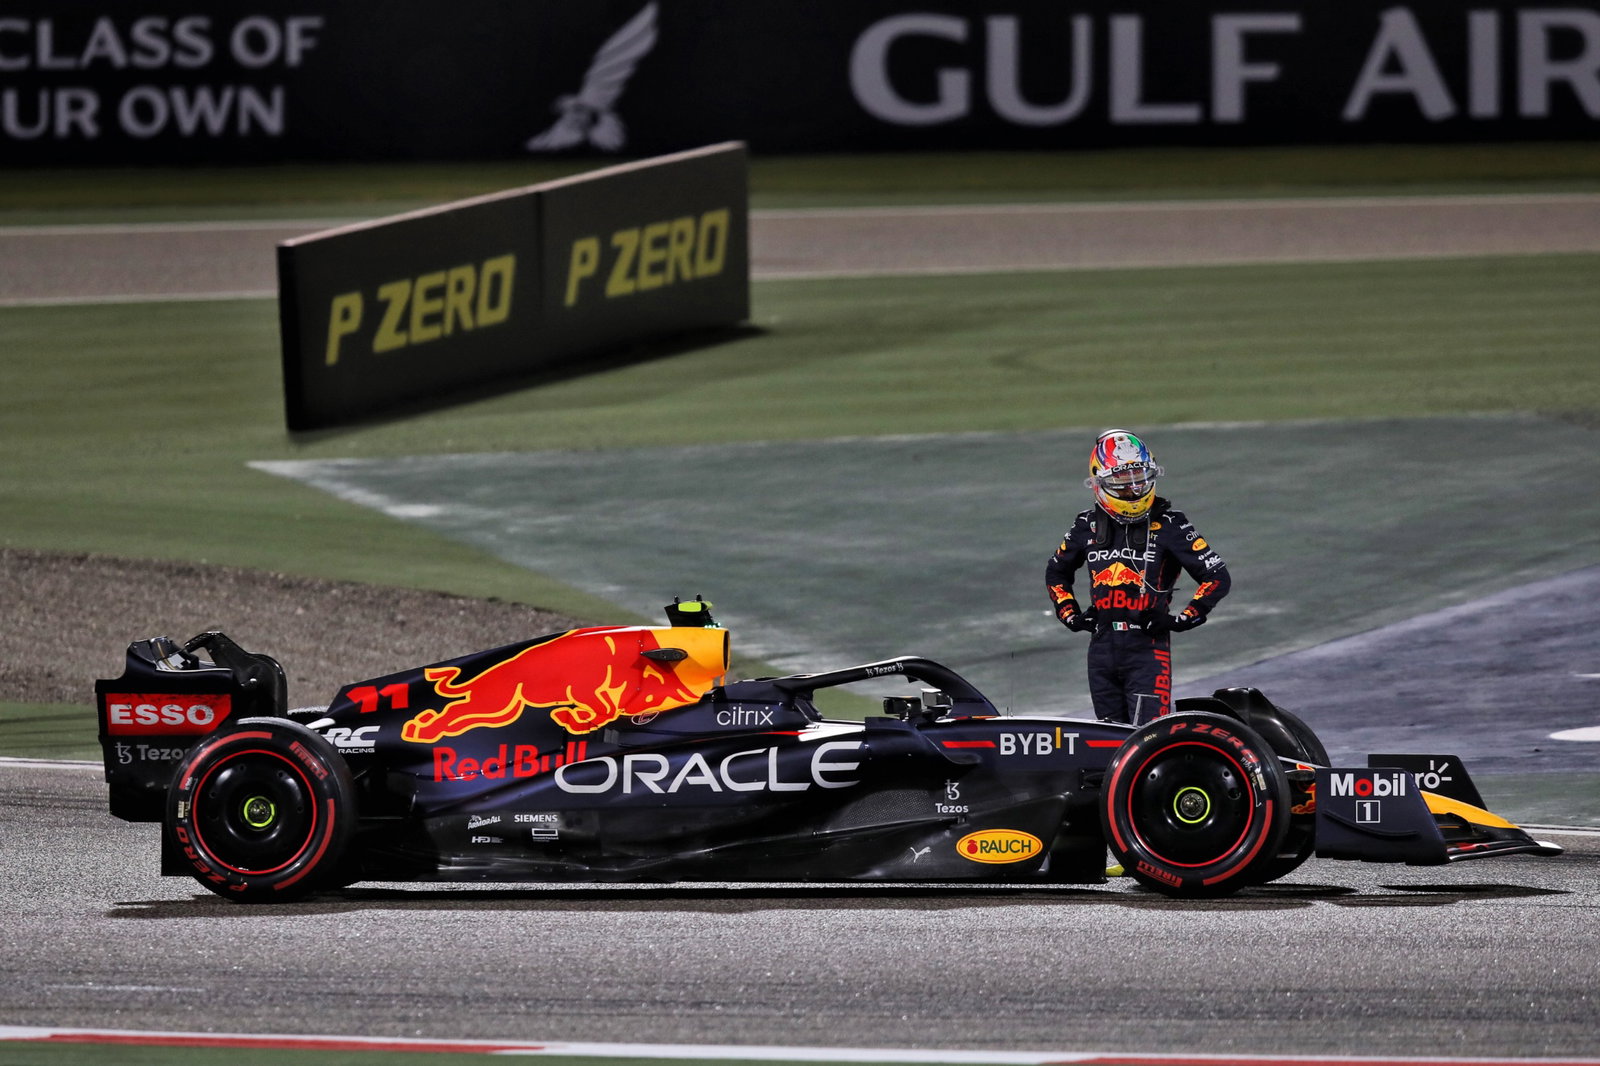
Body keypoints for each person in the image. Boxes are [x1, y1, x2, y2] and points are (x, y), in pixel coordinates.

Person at [1045, 429, 1230, 725]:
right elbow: (1057, 571)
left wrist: (1182, 619)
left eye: (1139, 479)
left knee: (1149, 735)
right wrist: (1070, 614)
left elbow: (1217, 576)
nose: (1132, 490)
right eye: (1122, 483)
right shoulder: (1086, 525)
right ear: (1099, 482)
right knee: (1108, 739)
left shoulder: (1171, 524)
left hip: (1148, 650)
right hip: (1101, 647)